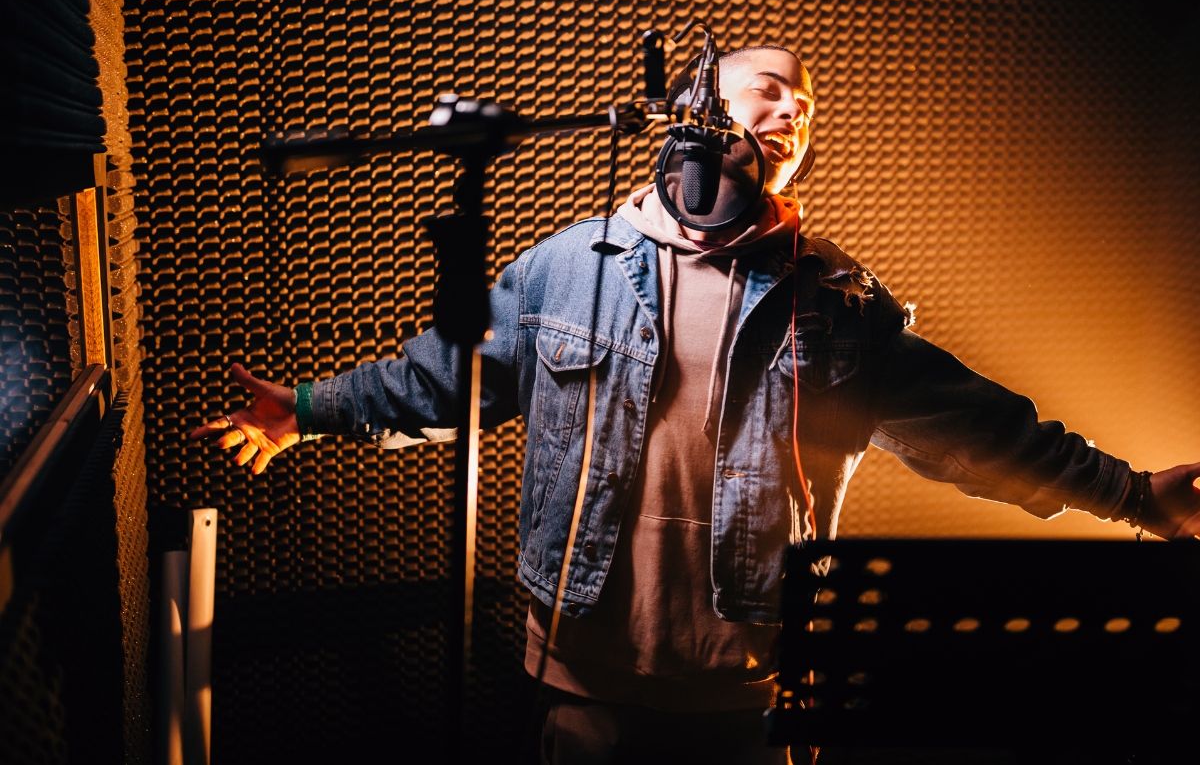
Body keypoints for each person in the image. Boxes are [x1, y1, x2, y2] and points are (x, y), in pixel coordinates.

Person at [189, 45, 1200, 764]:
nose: (794, 111)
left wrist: (1133, 495)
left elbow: (979, 433)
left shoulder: (838, 302)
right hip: (584, 680)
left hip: (752, 686)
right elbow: (440, 378)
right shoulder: (558, 270)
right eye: (768, 90)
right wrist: (310, 406)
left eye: (806, 104)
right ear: (692, 108)